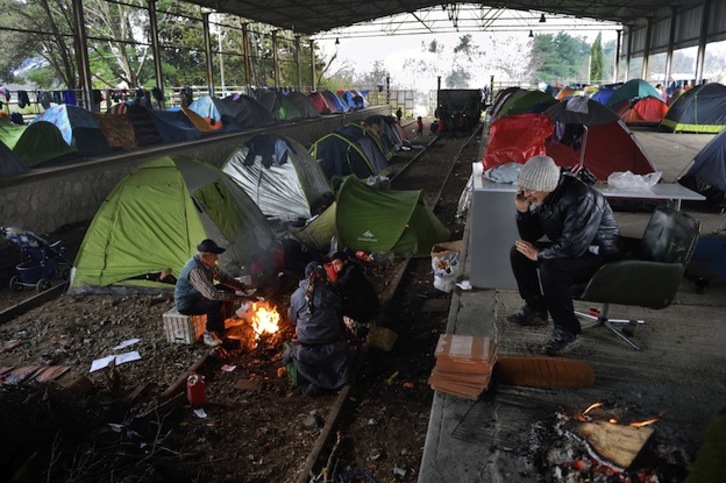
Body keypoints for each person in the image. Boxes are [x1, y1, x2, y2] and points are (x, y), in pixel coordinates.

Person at [507, 155, 624, 356]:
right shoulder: (546, 196)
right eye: (523, 188)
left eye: (530, 189)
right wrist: (523, 211)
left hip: (600, 255)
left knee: (551, 268)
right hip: (573, 247)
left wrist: (540, 255)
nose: (526, 194)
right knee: (520, 252)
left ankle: (567, 330)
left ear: (548, 185)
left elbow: (574, 247)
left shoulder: (581, 198)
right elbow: (531, 236)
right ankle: (536, 308)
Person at [285, 262, 352, 395]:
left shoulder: (297, 295)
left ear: (305, 276)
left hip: (309, 342)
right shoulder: (331, 292)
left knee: (298, 333)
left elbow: (292, 318)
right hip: (331, 339)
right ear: (323, 276)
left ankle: (315, 380)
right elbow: (339, 313)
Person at [175, 239, 251, 347]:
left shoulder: (207, 264)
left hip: (200, 295)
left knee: (226, 288)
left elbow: (223, 277)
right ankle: (210, 333)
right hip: (188, 303)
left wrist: (240, 286)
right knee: (216, 303)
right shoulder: (195, 270)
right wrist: (238, 298)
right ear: (206, 256)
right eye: (214, 255)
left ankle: (226, 320)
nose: (217, 258)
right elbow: (212, 295)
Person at [329, 251, 380, 337]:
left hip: (368, 307)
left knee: (340, 308)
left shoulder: (352, 270)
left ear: (345, 261)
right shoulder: (345, 271)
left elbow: (343, 283)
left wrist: (327, 288)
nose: (335, 268)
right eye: (333, 265)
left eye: (337, 264)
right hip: (363, 303)